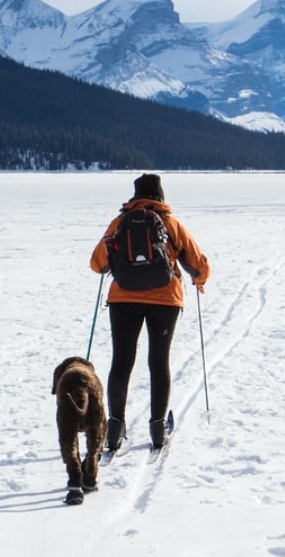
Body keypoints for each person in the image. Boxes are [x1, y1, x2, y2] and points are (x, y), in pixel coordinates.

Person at [90, 173, 210, 451]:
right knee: (159, 362)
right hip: (166, 301)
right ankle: (158, 428)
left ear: (135, 196)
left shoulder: (119, 223)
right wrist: (198, 281)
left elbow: (97, 263)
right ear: (161, 195)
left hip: (123, 300)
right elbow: (199, 263)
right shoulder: (170, 223)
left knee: (121, 362)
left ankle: (115, 427)